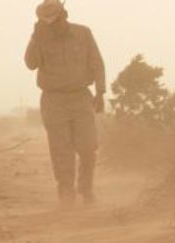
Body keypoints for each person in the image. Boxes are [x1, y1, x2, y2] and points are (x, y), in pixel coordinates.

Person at [24, 0, 106, 207]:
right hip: (53, 100)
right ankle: (66, 193)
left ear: (64, 15)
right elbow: (30, 63)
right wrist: (35, 38)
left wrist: (100, 92)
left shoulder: (83, 33)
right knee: (61, 150)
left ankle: (86, 189)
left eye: (55, 19)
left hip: (81, 97)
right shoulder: (40, 37)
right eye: (47, 21)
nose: (52, 24)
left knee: (88, 147)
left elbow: (97, 63)